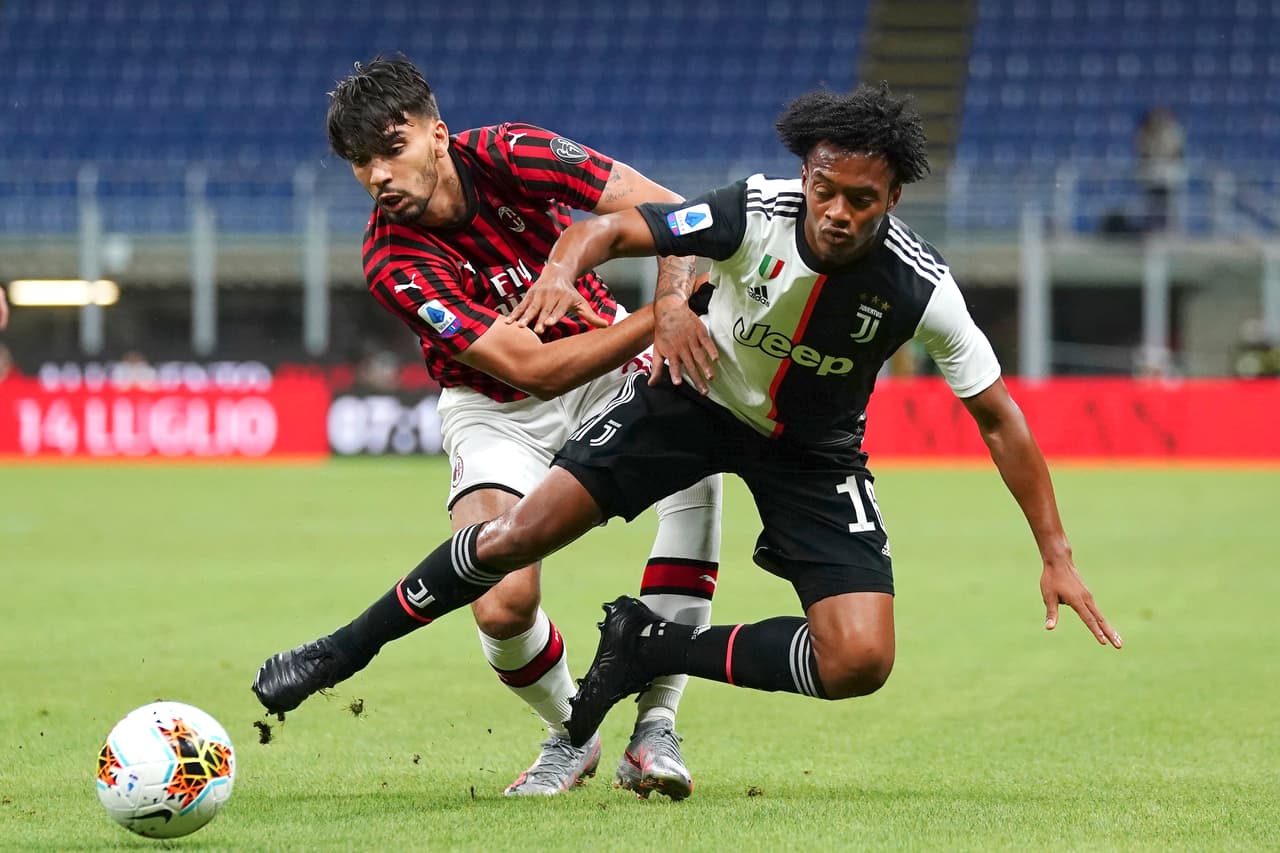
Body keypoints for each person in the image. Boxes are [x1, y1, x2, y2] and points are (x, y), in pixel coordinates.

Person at [256, 82, 1121, 761]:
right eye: (824, 188)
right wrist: (593, 274)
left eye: (861, 199)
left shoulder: (923, 289)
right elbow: (620, 238)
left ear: (892, 198)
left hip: (813, 452)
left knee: (860, 661)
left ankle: (648, 653)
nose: (836, 211)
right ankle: (344, 653)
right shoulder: (754, 210)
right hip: (670, 399)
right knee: (514, 549)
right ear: (806, 177)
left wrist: (1056, 552)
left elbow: (1000, 419)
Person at [252, 57, 723, 801]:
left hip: (608, 375)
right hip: (497, 405)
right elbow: (530, 369)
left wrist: (670, 304)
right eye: (360, 163)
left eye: (391, 148)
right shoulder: (390, 258)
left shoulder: (513, 153)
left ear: (436, 135)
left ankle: (656, 727)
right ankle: (575, 732)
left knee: (699, 457)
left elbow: (678, 213)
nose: (378, 174)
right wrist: (656, 320)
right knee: (502, 602)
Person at [1134, 106, 1185, 232]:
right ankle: (1151, 228)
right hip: (1151, 174)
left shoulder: (1174, 132)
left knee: (1169, 204)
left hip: (1167, 175)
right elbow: (1144, 151)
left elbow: (1175, 152)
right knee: (1152, 203)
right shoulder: (1144, 133)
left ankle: (1171, 230)